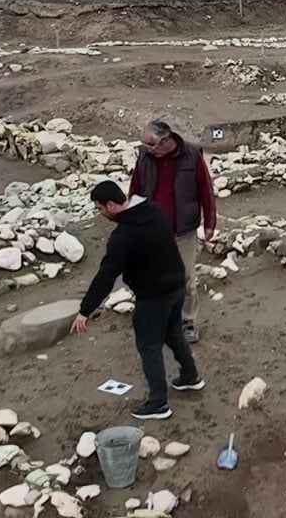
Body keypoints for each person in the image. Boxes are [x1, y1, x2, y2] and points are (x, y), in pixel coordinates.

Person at [71, 180, 204, 421]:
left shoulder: (124, 235)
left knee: (148, 346)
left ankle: (158, 402)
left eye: (100, 208)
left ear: (111, 205)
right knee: (173, 333)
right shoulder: (153, 210)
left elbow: (106, 275)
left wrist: (85, 310)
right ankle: (190, 377)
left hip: (154, 296)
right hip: (176, 284)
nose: (100, 214)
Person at [128, 120, 217, 344]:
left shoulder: (191, 154)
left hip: (182, 229)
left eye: (152, 146)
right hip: (152, 230)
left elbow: (205, 189)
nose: (148, 150)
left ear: (166, 141)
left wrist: (210, 223)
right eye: (146, 146)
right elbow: (136, 188)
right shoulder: (144, 156)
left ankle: (187, 320)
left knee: (185, 277)